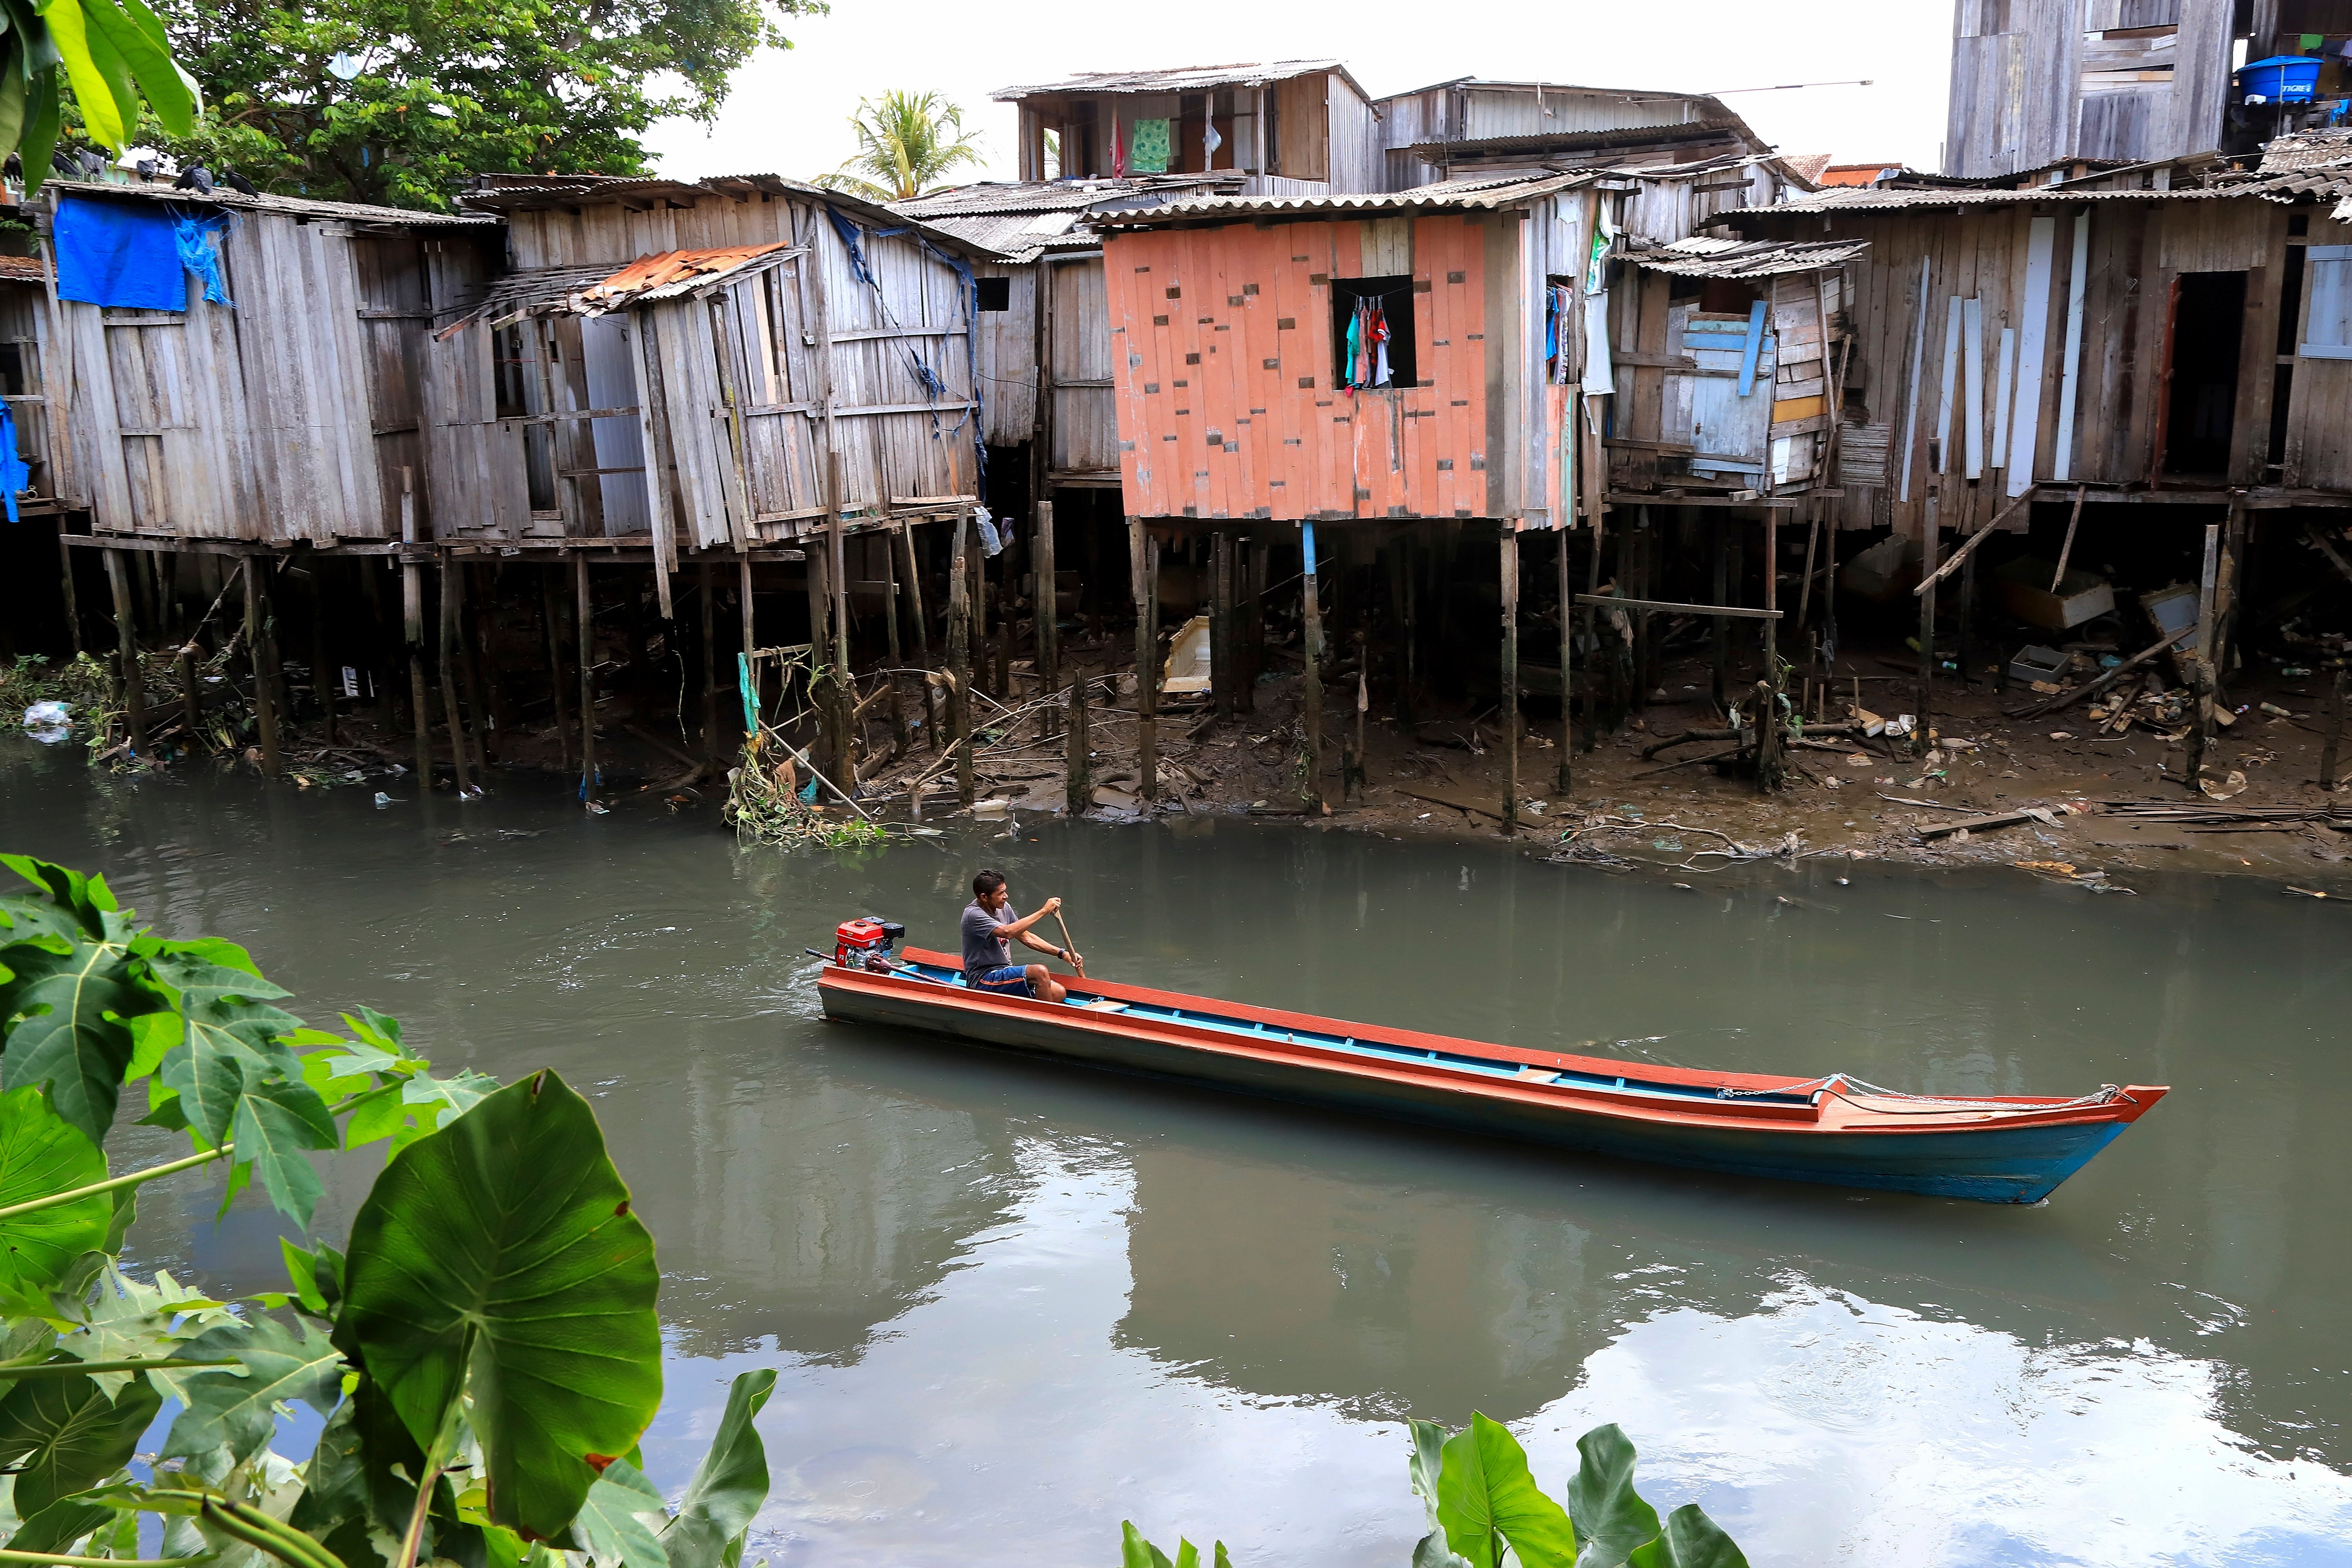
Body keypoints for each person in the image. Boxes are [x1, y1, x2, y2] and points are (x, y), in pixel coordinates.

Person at [961, 869, 1081, 1002]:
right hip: (983, 978)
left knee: (1058, 992)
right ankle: (1042, 1015)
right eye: (1000, 893)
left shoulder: (1004, 907)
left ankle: (1033, 1007)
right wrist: (1044, 911)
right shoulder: (974, 915)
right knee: (1039, 972)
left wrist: (1062, 954)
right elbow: (1008, 932)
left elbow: (1026, 937)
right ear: (984, 897)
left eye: (1005, 891)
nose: (1006, 896)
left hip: (1005, 971)